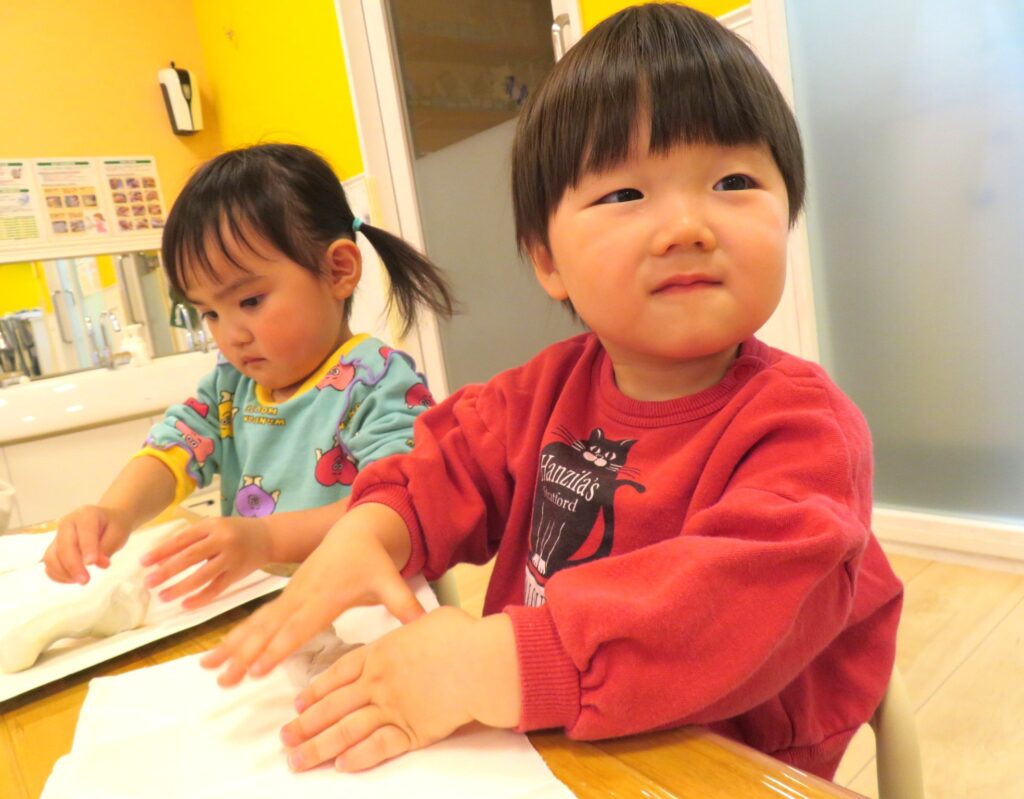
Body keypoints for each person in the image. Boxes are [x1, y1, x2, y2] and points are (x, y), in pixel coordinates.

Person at [201, 4, 903, 780]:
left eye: (733, 181)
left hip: (716, 763)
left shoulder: (805, 429)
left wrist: (484, 662)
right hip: (544, 744)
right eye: (625, 193)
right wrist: (374, 525)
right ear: (547, 259)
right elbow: (446, 461)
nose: (686, 226)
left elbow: (733, 607)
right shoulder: (541, 392)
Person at [43, 143, 453, 609]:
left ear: (338, 270)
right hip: (278, 609)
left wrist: (265, 539)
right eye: (210, 313)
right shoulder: (232, 386)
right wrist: (115, 511)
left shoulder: (378, 382)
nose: (231, 335)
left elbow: (401, 503)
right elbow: (174, 446)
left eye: (250, 301)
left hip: (375, 610)